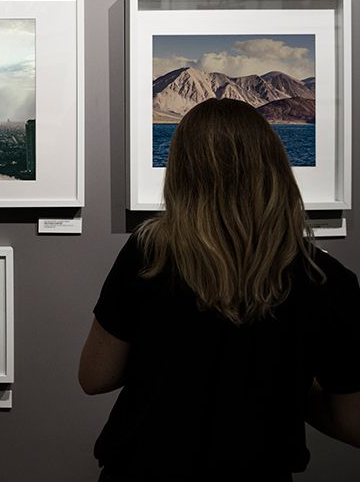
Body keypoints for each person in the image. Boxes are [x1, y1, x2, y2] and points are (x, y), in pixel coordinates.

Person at [79, 98, 360, 482]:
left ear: (181, 172)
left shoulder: (149, 253)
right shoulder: (325, 278)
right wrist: (283, 381)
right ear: (277, 169)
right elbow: (351, 423)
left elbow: (95, 377)